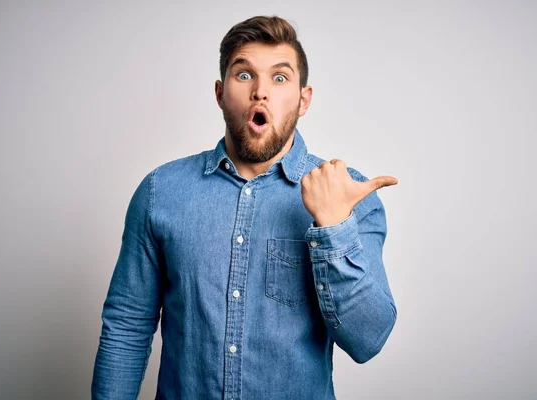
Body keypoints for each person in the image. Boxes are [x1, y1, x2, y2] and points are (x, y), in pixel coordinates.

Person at [92, 15, 398, 400]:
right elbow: (126, 327)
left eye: (280, 77)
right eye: (244, 75)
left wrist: (334, 226)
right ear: (220, 93)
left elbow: (368, 341)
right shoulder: (160, 192)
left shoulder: (349, 195)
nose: (261, 92)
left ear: (303, 100)